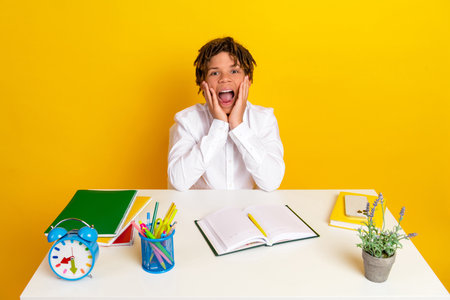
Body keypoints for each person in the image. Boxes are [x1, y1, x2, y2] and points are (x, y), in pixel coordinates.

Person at [167, 37, 285, 191]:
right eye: (215, 73)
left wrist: (237, 126)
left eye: (234, 71)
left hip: (246, 211)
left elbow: (271, 182)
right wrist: (219, 126)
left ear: (247, 80)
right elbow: (178, 181)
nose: (225, 79)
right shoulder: (187, 121)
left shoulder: (264, 119)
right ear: (203, 84)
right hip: (201, 212)